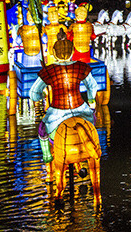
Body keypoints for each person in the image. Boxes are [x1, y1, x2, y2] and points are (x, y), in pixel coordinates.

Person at [29, 30, 98, 163]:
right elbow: (92, 86)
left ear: (54, 53)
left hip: (56, 114)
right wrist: (91, 101)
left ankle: (47, 155)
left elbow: (33, 93)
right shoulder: (81, 66)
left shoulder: (49, 71)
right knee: (93, 119)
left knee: (42, 130)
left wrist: (40, 96)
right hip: (82, 110)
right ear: (72, 52)